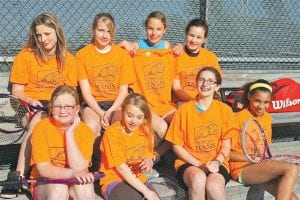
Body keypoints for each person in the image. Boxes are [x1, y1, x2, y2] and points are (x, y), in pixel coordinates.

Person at [9, 12, 82, 177]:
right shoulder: (26, 56)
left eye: (47, 34)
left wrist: (59, 107)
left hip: (58, 105)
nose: (43, 39)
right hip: (31, 105)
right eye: (39, 35)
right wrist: (31, 100)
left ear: (57, 31)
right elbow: (17, 91)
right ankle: (18, 175)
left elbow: (69, 93)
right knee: (39, 120)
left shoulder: (69, 59)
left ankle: (71, 172)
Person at [165, 67, 236, 200]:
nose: (205, 84)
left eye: (210, 81)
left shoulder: (224, 110)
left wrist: (216, 162)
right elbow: (176, 145)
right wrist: (198, 164)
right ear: (196, 83)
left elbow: (226, 145)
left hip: (216, 163)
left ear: (217, 87)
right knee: (198, 179)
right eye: (202, 80)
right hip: (189, 163)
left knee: (214, 186)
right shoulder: (183, 110)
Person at [229, 79, 299, 200]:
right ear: (249, 96)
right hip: (242, 169)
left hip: (261, 167)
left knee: (292, 198)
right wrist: (251, 158)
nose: (261, 106)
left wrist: (265, 160)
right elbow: (227, 154)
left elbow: (264, 149)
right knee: (291, 168)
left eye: (266, 102)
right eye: (257, 101)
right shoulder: (238, 118)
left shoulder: (267, 118)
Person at [30, 85, 95, 200]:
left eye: (68, 106)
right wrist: (71, 174)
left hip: (74, 179)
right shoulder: (42, 128)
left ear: (77, 109)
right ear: (51, 108)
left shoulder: (85, 131)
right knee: (59, 188)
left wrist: (69, 134)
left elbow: (79, 167)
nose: (62, 111)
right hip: (46, 182)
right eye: (57, 106)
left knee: (85, 187)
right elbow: (44, 169)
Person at [76, 12, 135, 136]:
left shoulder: (122, 55)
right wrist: (101, 113)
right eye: (101, 30)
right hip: (93, 104)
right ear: (93, 30)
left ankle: (116, 155)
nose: (105, 35)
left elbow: (123, 91)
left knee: (119, 127)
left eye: (109, 31)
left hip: (116, 103)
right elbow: (86, 92)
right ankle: (95, 156)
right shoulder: (82, 55)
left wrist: (111, 111)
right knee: (91, 127)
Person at [100, 93, 159, 200]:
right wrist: (146, 192)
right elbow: (121, 168)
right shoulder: (112, 133)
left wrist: (149, 160)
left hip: (138, 178)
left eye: (139, 117)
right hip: (114, 179)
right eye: (130, 115)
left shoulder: (145, 129)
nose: (134, 121)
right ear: (123, 112)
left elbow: (148, 153)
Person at [172, 18, 223, 107]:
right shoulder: (176, 55)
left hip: (205, 99)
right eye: (191, 35)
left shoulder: (210, 57)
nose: (194, 40)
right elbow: (176, 89)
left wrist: (206, 100)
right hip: (182, 101)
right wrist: (195, 102)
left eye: (199, 37)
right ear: (186, 34)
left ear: (204, 39)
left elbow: (217, 83)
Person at [118, 10, 182, 55]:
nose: (154, 33)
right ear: (146, 28)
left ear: (164, 30)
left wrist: (180, 46)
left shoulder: (166, 45)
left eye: (159, 29)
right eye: (150, 28)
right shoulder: (138, 45)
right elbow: (112, 53)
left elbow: (177, 50)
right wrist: (122, 44)